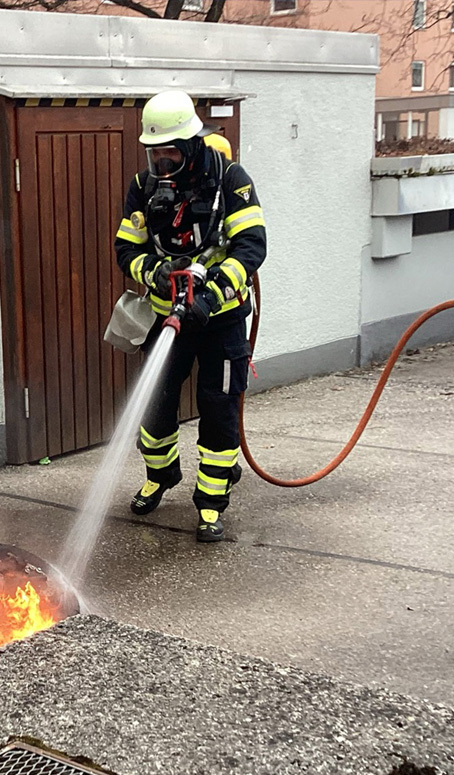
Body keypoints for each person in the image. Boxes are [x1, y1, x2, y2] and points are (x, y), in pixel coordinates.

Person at [114, 91, 266, 542]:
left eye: (170, 155)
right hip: (167, 320)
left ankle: (211, 504)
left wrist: (212, 292)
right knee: (154, 405)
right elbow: (127, 248)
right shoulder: (143, 188)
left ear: (193, 144)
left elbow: (251, 246)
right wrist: (154, 272)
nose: (162, 166)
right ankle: (160, 477)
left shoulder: (231, 182)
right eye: (155, 156)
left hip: (219, 320)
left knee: (218, 408)